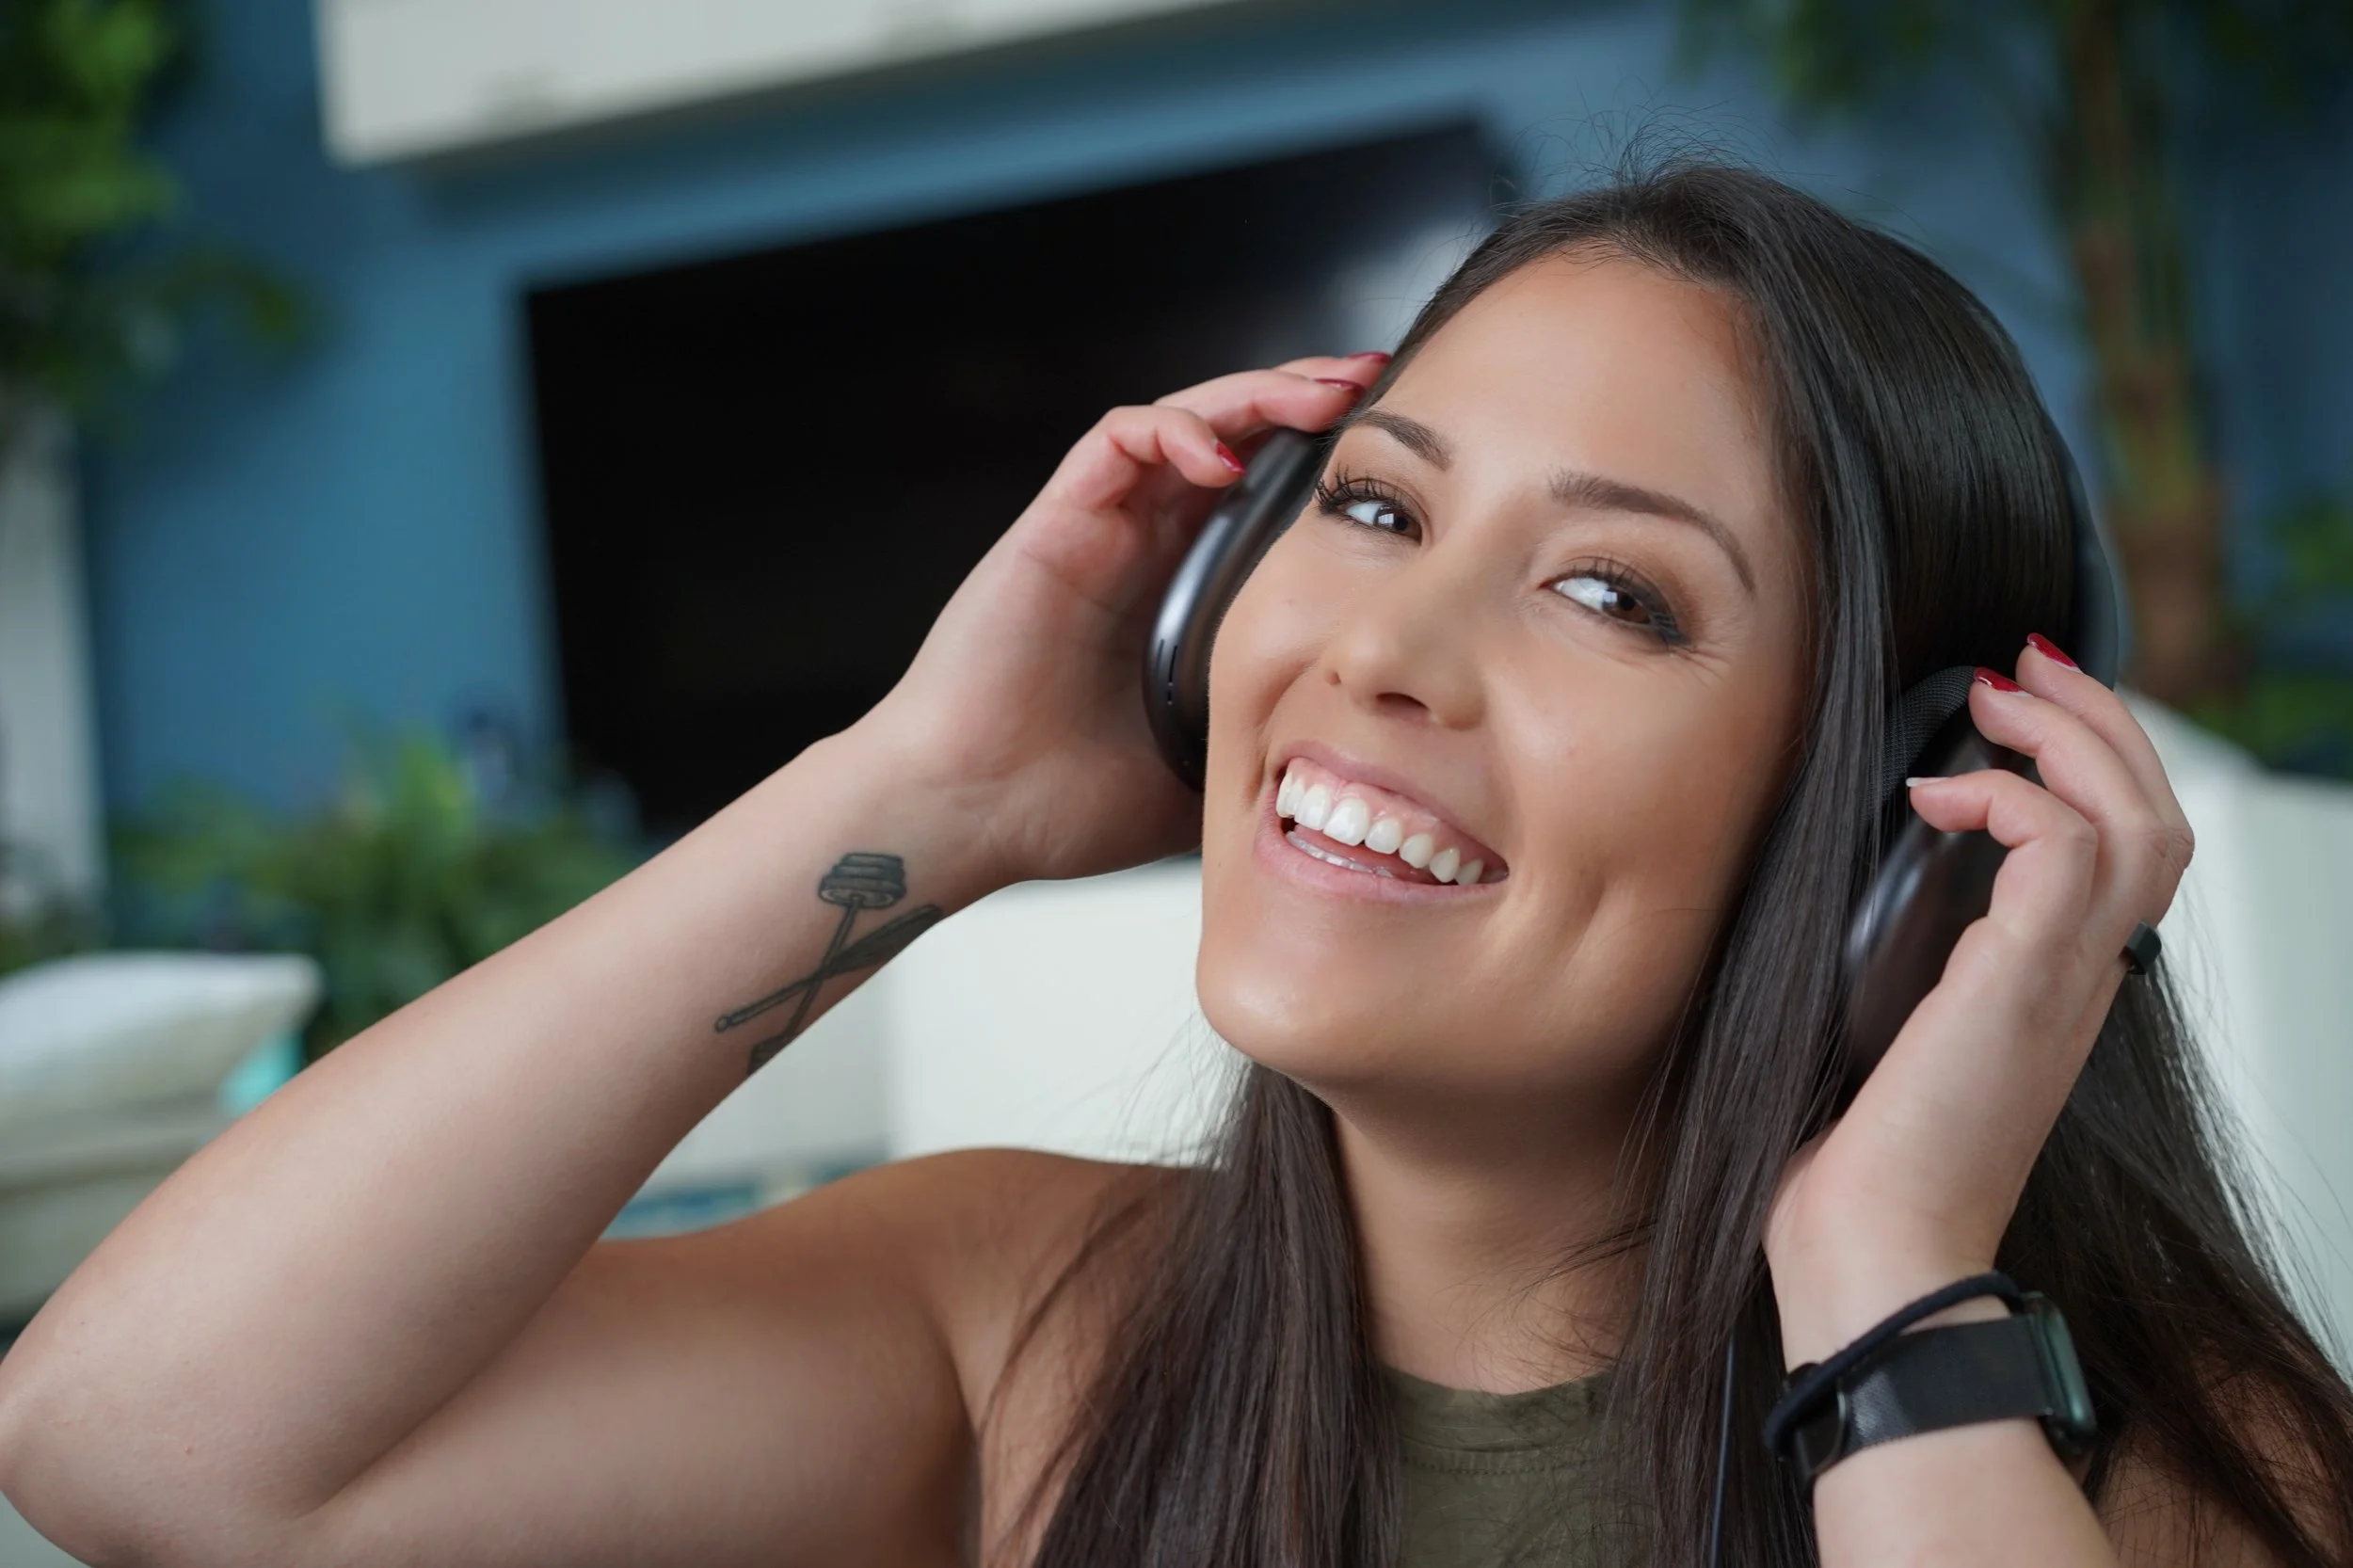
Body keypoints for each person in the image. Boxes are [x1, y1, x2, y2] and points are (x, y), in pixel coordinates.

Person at [1, 159, 2347, 1568]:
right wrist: (928, 784)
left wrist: (1884, 1278)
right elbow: (148, 1446)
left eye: (1609, 591)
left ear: (1899, 837)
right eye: (1369, 508)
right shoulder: (1023, 1328)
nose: (1380, 651)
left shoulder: (2116, 1439)